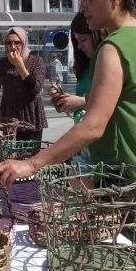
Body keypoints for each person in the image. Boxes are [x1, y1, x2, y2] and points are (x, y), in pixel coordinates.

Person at [0, 0, 136, 189]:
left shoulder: (113, 47)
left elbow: (93, 125)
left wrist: (31, 164)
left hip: (124, 179)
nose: (82, 7)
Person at [49, 13, 106, 169]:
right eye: (76, 41)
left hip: (101, 148)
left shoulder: (106, 64)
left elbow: (112, 103)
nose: (80, 46)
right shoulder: (86, 66)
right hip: (84, 144)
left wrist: (80, 102)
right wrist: (63, 102)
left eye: (83, 40)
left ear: (96, 35)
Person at [0, 27, 47, 142]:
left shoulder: (36, 61)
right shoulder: (2, 63)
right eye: (9, 43)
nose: (13, 46)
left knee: (28, 155)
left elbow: (36, 88)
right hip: (8, 113)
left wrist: (21, 67)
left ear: (24, 43)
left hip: (30, 114)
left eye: (17, 42)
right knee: (8, 153)